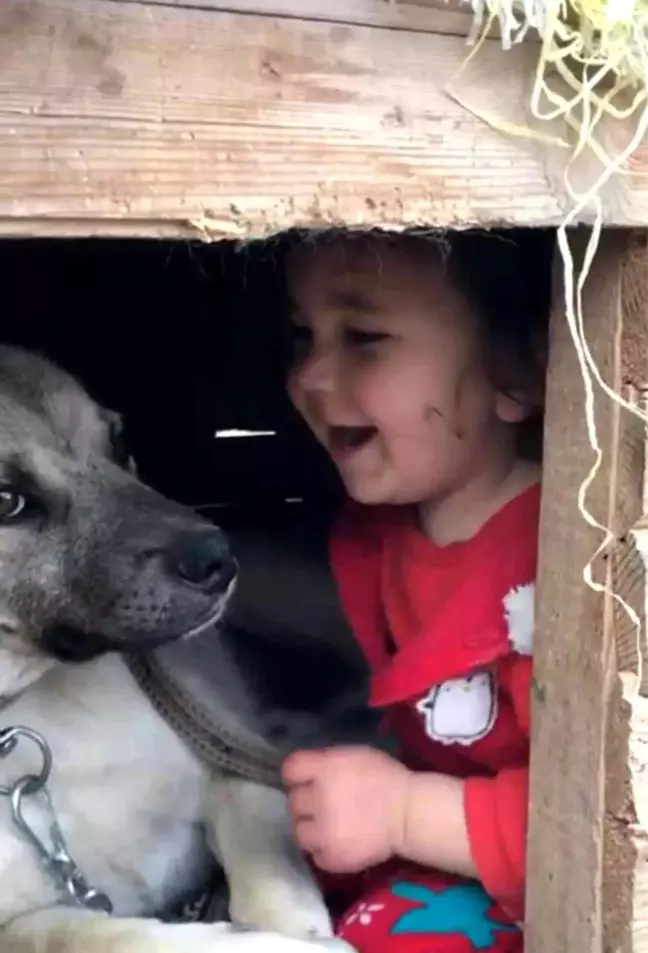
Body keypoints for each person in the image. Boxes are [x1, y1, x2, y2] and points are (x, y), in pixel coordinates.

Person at [279, 227, 553, 953]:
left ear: (520, 371)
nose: (310, 374)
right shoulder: (382, 536)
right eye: (304, 333)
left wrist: (404, 813)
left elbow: (603, 819)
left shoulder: (566, 569)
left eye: (364, 337)